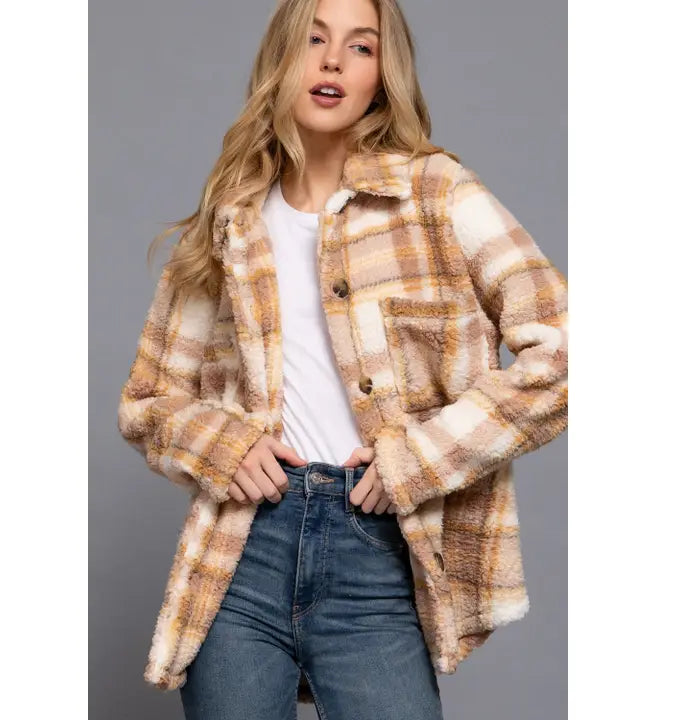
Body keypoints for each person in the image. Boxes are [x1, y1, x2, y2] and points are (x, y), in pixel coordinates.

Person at [117, 0, 568, 718]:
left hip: (376, 550)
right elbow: (149, 400)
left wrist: (418, 458)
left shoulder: (435, 194)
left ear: (382, 76)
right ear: (282, 59)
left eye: (361, 47)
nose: (332, 61)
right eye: (314, 39)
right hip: (243, 552)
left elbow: (564, 351)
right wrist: (223, 445)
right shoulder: (231, 218)